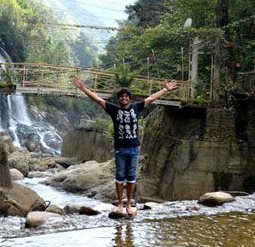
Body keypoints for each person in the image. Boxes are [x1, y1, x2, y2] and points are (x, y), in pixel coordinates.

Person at [72, 76, 177, 215]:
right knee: (120, 175)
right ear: (119, 99)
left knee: (132, 176)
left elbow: (151, 98)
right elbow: (97, 99)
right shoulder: (113, 110)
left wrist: (165, 89)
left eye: (126, 96)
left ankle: (129, 204)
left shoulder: (136, 107)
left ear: (130, 98)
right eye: (121, 96)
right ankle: (120, 203)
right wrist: (83, 88)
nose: (124, 98)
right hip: (120, 149)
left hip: (134, 148)